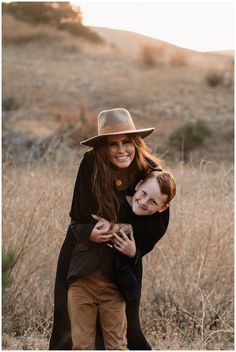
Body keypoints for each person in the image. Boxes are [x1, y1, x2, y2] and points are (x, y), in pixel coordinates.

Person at [49, 108, 170, 350]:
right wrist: (89, 233)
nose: (121, 149)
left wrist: (134, 249)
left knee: (127, 327)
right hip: (81, 251)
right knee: (68, 326)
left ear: (135, 142)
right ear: (103, 146)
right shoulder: (90, 163)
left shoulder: (150, 171)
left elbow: (159, 221)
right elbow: (79, 213)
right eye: (113, 144)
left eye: (126, 142)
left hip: (123, 258)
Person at [67, 169, 176, 349]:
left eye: (153, 202)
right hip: (83, 282)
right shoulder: (110, 200)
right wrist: (92, 232)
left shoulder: (149, 226)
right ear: (138, 185)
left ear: (162, 208)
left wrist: (133, 251)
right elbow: (78, 223)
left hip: (115, 289)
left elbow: (142, 242)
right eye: (143, 194)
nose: (144, 202)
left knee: (116, 343)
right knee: (81, 344)